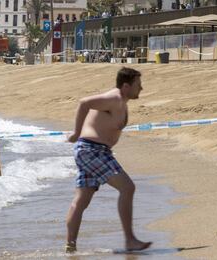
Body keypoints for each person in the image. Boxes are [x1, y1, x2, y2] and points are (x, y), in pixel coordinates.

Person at [65, 67, 152, 253]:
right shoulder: (114, 98)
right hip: (92, 150)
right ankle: (130, 240)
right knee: (127, 188)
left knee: (81, 201)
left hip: (93, 151)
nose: (141, 88)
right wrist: (76, 132)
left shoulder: (121, 102)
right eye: (138, 85)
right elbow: (84, 102)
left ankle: (70, 247)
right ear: (126, 86)